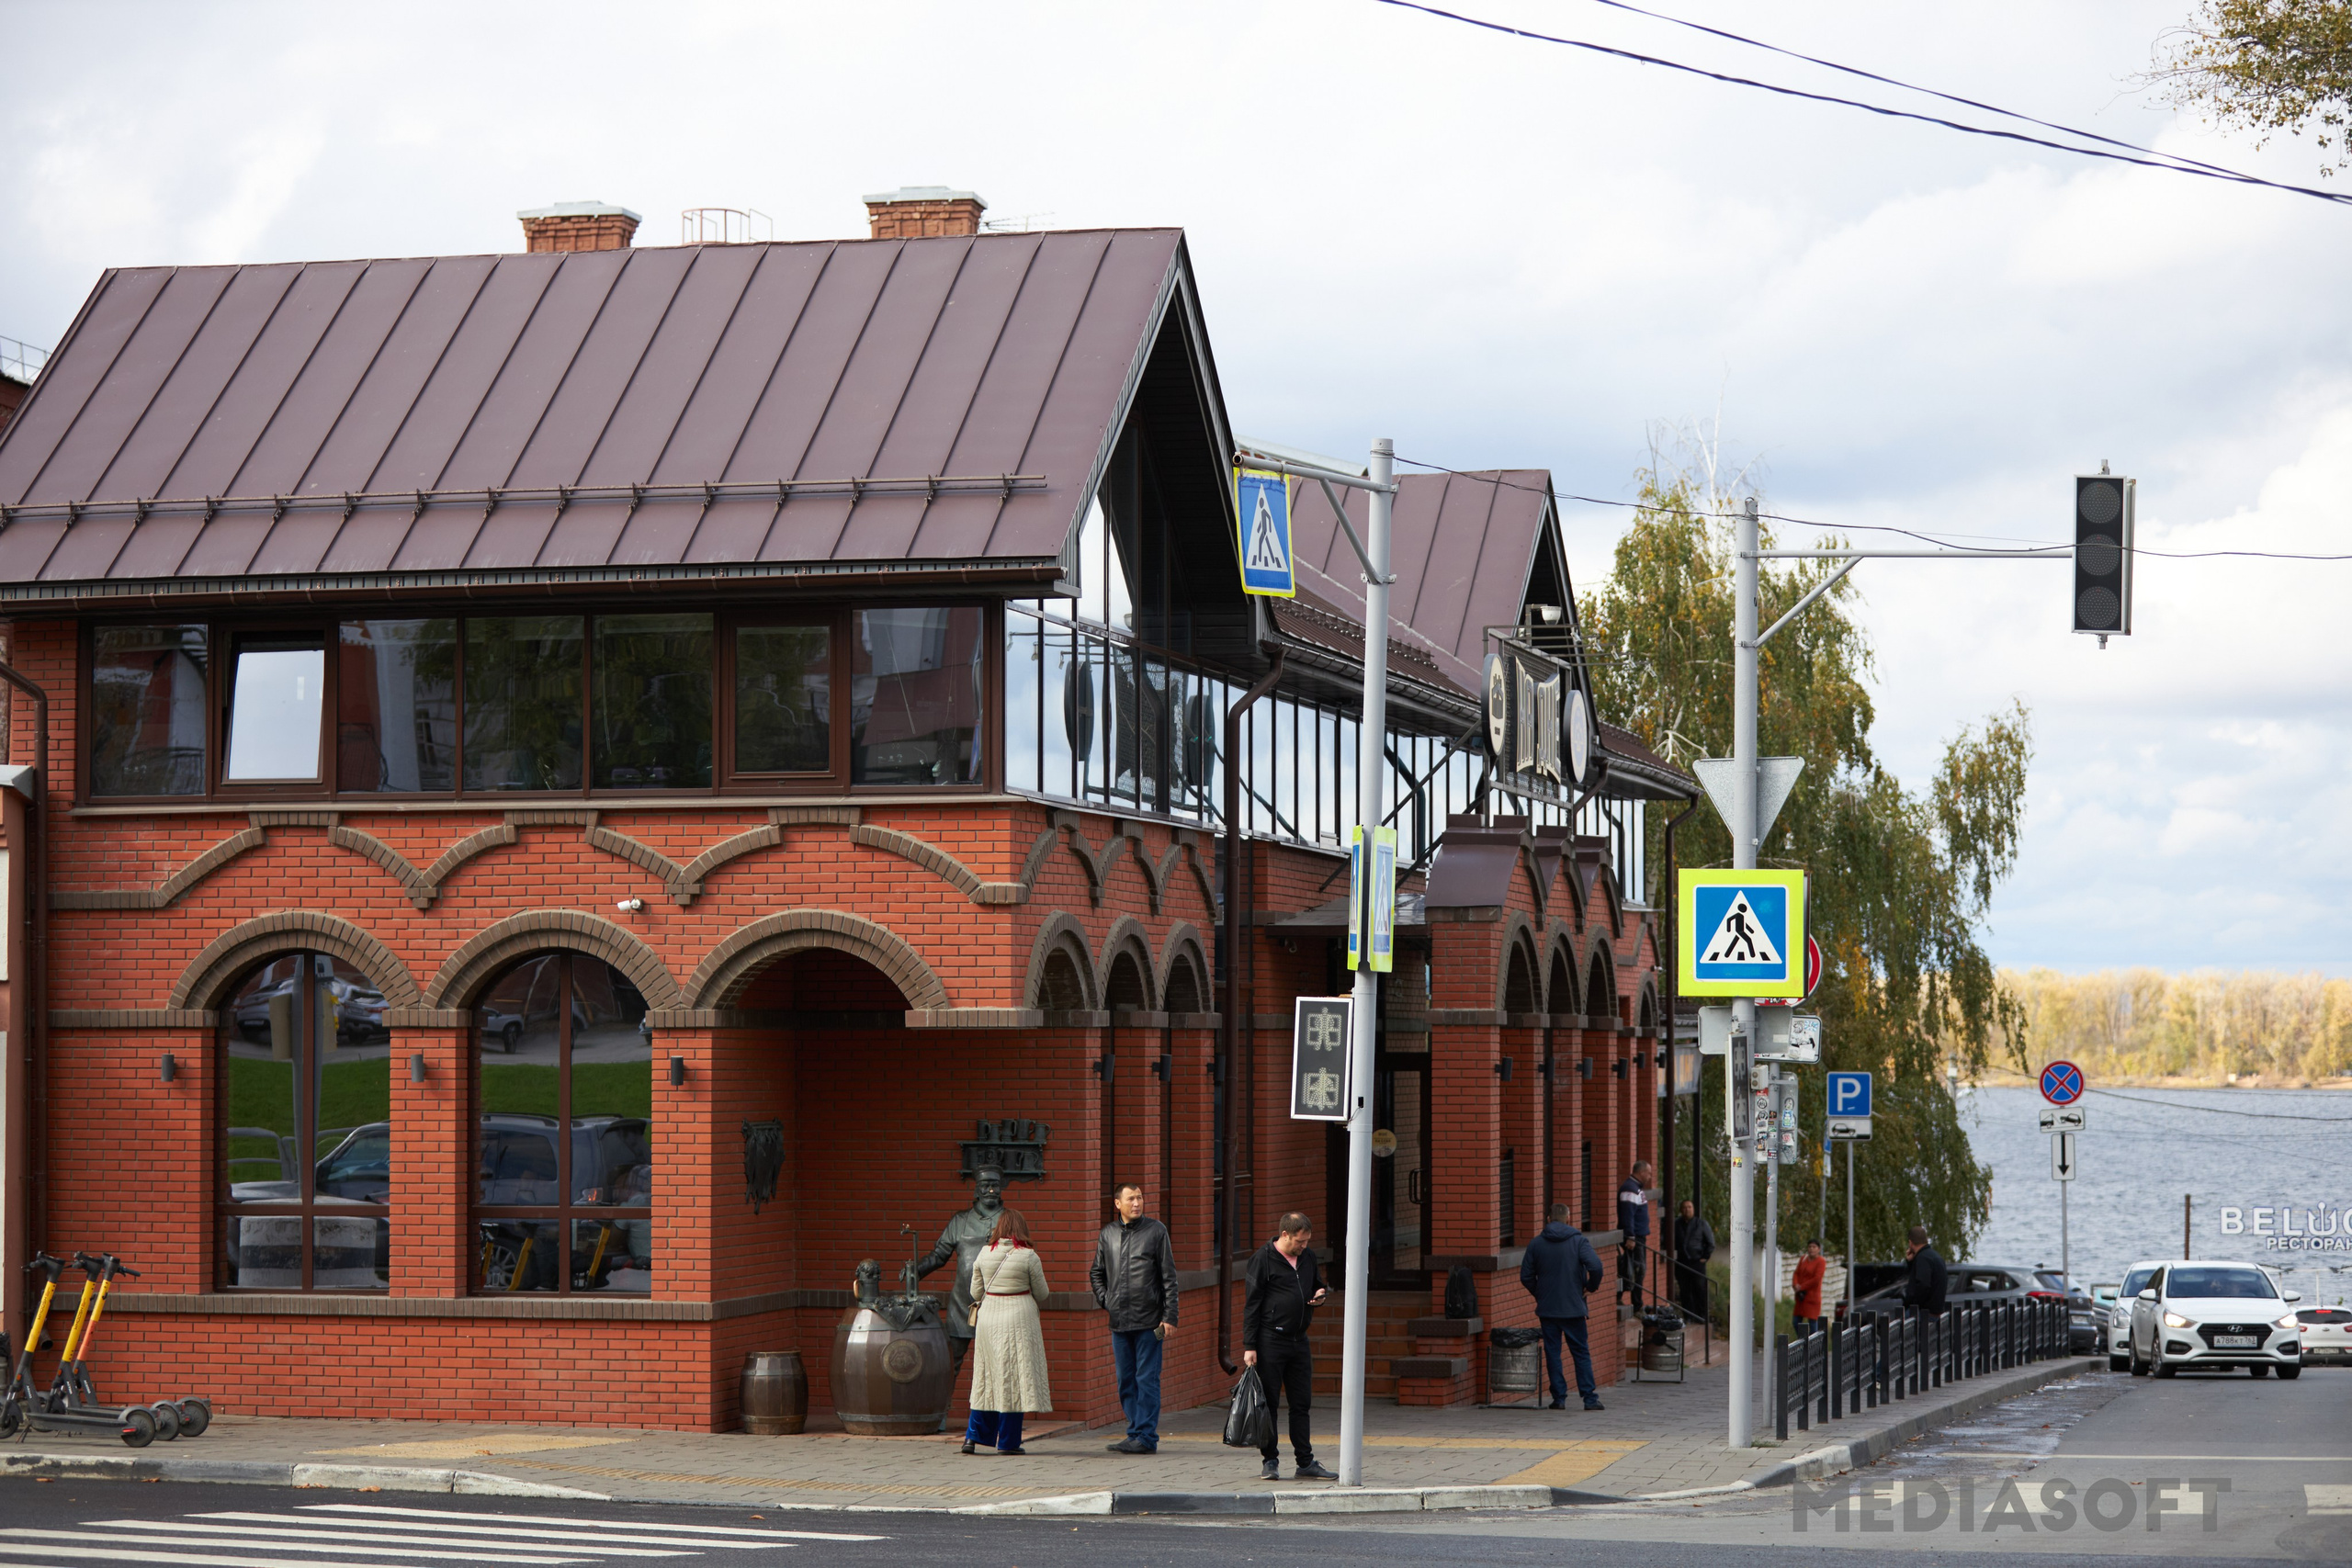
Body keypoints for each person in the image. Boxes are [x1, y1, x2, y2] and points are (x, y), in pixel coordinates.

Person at [1242, 1213, 1334, 1482]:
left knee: (1301, 1403)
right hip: (1270, 1340)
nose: (1303, 1246)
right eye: (1299, 1241)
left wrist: (1320, 1294)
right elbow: (1252, 1305)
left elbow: (1317, 1284)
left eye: (1306, 1241)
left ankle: (1305, 1462)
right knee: (1269, 1403)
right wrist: (1250, 1345)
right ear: (1284, 1235)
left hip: (1299, 1339)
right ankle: (1270, 1461)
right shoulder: (1262, 1259)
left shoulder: (1308, 1257)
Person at [1091, 1181, 1179, 1455]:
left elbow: (1169, 1277)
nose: (1137, 1203)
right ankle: (1135, 1433)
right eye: (1131, 1199)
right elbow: (1096, 1273)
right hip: (1119, 1321)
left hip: (1150, 1321)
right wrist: (1107, 1300)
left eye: (1140, 1198)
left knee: (1147, 1379)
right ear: (1118, 1203)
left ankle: (1146, 1437)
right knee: (1126, 1380)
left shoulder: (1156, 1231)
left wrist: (1169, 1316)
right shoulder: (1108, 1233)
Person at [961, 1207, 1051, 1456]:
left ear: (999, 1228)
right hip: (1018, 1319)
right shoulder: (1029, 1256)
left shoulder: (984, 1253)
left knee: (986, 1378)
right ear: (1021, 1229)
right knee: (1014, 1379)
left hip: (989, 1319)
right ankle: (1008, 1443)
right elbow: (1042, 1293)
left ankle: (973, 1437)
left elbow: (975, 1293)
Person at [906, 1164, 1008, 1378]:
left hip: (998, 1304)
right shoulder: (960, 1221)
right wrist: (917, 1270)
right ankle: (942, 1400)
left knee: (1000, 1367)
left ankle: (995, 1402)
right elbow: (939, 1255)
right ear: (977, 1189)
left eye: (995, 1185)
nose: (991, 1190)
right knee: (950, 1362)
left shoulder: (1010, 1220)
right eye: (986, 1185)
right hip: (962, 1305)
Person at [1519, 1201, 1607, 1410]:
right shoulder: (1578, 1241)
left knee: (1553, 1352)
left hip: (1548, 1308)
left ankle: (1559, 1398)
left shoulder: (1536, 1244)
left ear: (1548, 1219)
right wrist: (1590, 1287)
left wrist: (1540, 1293)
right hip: (1573, 1307)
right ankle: (1589, 1399)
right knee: (1580, 1352)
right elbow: (1596, 1266)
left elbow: (1526, 1276)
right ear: (1568, 1218)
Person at [1617, 1160, 1654, 1308]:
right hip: (1634, 1238)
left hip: (1639, 1236)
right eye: (1649, 1174)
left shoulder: (1636, 1188)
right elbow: (1627, 1215)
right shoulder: (1630, 1189)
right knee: (1637, 1269)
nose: (1650, 1177)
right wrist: (1630, 1236)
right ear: (1641, 1172)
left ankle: (1627, 1297)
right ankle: (1636, 1304)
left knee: (1635, 1269)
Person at [1673, 1199, 1714, 1323]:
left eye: (1689, 1207)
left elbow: (1710, 1243)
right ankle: (1688, 1316)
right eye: (1684, 1207)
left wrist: (1705, 1257)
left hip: (1697, 1262)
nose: (1687, 1210)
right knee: (1684, 1290)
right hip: (1681, 1262)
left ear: (1693, 1209)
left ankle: (1701, 1316)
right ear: (1681, 1210)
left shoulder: (1701, 1224)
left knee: (1699, 1289)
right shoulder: (1676, 1224)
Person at [1901, 1225, 1949, 1315]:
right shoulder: (1935, 1256)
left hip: (1924, 1312)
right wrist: (1910, 1262)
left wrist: (1913, 1304)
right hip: (1936, 1310)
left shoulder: (1922, 1258)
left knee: (1899, 1322)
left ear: (1910, 1243)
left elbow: (1923, 1284)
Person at [1792, 1238, 1827, 1336]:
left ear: (1818, 1249)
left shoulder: (1821, 1261)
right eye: (1810, 1247)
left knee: (1812, 1323)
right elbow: (1797, 1273)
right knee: (1796, 1321)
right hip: (1801, 1297)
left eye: (1814, 1247)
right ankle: (1803, 1340)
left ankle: (1813, 1343)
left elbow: (1816, 1279)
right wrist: (1795, 1284)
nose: (1811, 1249)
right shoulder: (1803, 1259)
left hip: (1812, 1297)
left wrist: (1802, 1287)